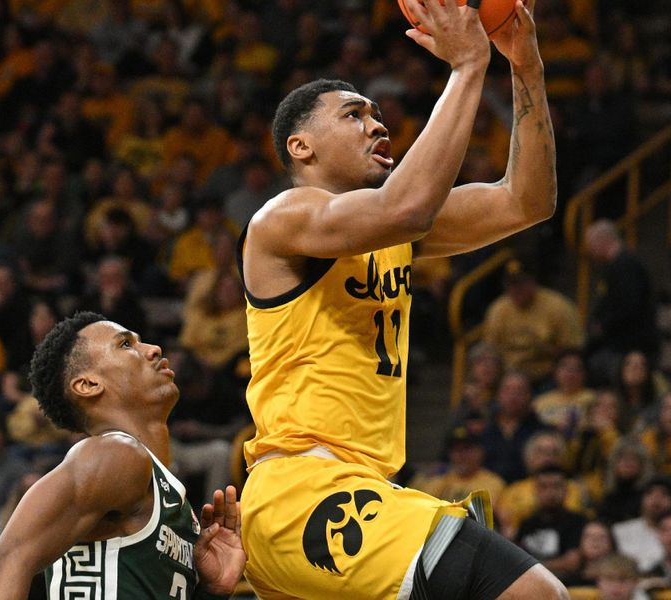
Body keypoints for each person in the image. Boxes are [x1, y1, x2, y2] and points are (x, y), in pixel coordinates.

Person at [238, 0, 565, 597]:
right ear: (301, 147)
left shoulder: (393, 233)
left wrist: (526, 68)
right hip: (304, 490)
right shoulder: (283, 219)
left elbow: (526, 201)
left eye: (378, 114)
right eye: (354, 115)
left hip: (359, 489)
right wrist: (468, 68)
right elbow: (407, 207)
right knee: (535, 593)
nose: (378, 125)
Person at [0, 312, 245, 599]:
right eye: (126, 345)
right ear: (88, 384)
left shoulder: (164, 490)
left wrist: (211, 591)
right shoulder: (115, 454)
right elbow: (6, 560)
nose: (154, 349)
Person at [482, 258, 584, 390]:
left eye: (521, 284)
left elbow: (573, 350)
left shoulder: (558, 307)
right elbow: (490, 350)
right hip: (509, 376)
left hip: (546, 375)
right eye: (510, 284)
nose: (515, 289)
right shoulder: (498, 310)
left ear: (533, 281)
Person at [583, 220, 659, 385]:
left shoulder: (625, 265)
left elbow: (629, 305)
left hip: (628, 343)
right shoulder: (616, 266)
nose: (590, 250)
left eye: (591, 244)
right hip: (620, 340)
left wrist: (603, 325)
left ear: (602, 240)